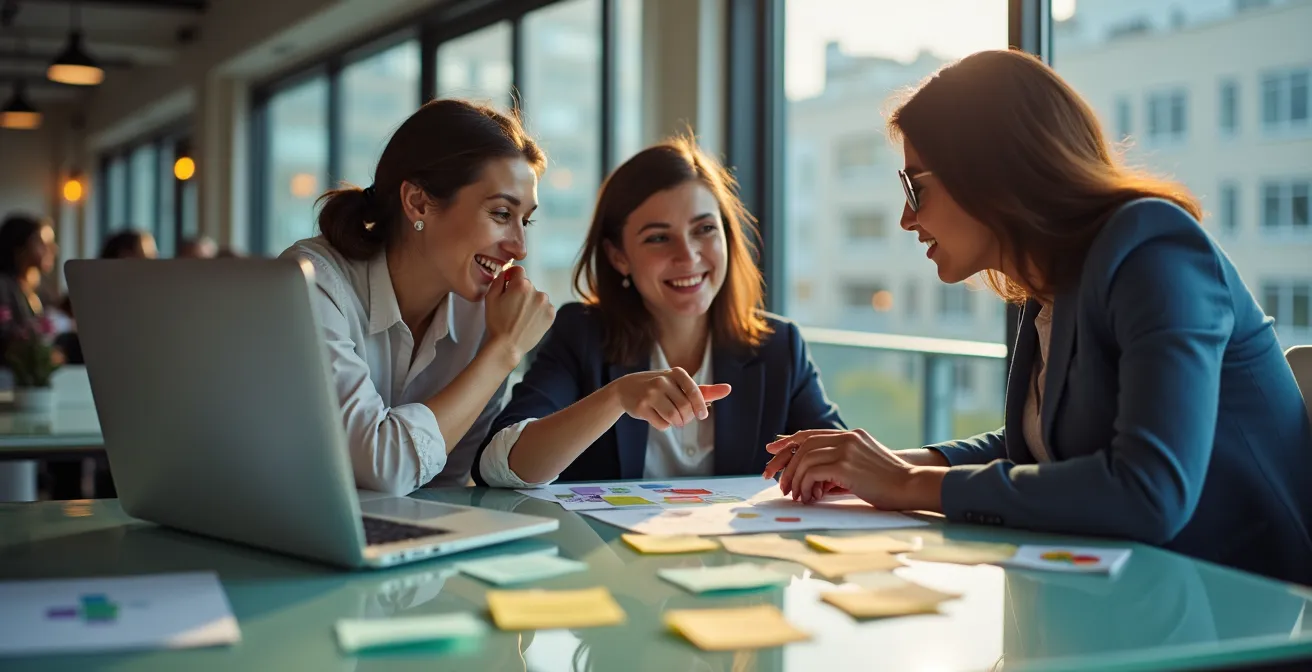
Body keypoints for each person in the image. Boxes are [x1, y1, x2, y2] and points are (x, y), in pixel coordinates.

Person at [764, 49, 1312, 585]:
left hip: (1255, 613)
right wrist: (882, 465)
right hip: (1148, 601)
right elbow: (1042, 446)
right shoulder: (1050, 287)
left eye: (914, 187)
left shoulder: (1154, 249)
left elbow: (1149, 492)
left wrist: (905, 482)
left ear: (989, 171)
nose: (907, 218)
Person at [474, 137, 844, 488]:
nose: (688, 256)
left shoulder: (780, 347)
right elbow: (499, 466)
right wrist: (616, 397)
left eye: (704, 230)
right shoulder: (580, 334)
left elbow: (842, 465)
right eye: (658, 237)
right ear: (619, 256)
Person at [281, 99, 555, 495]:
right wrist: (505, 352)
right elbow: (382, 470)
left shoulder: (484, 314)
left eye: (525, 221)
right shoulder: (312, 283)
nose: (519, 247)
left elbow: (445, 483)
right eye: (500, 214)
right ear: (418, 203)